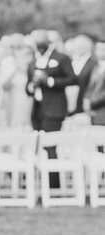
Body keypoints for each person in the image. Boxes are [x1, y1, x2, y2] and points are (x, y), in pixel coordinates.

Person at [26, 29, 75, 188]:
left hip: (54, 109)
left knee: (51, 146)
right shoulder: (33, 61)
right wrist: (32, 85)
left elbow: (72, 79)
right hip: (37, 109)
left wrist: (49, 81)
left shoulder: (61, 58)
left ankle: (53, 184)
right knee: (37, 145)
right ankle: (39, 182)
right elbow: (29, 88)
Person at [68, 34, 97, 116]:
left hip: (85, 104)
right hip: (72, 104)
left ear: (85, 47)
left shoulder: (93, 63)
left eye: (77, 46)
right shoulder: (73, 61)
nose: (74, 49)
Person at [84, 41, 105, 126]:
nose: (100, 52)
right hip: (95, 112)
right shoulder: (96, 66)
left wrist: (91, 102)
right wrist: (86, 99)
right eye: (98, 49)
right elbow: (90, 86)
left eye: (103, 49)